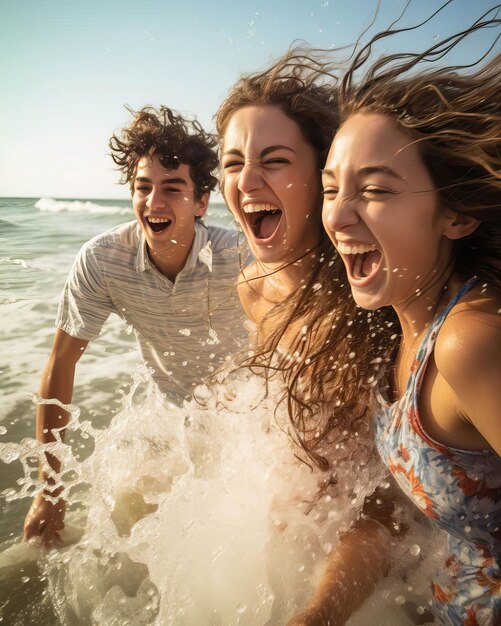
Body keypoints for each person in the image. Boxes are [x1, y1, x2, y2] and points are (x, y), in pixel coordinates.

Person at [285, 12, 501, 625]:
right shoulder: (390, 331)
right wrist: (319, 614)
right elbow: (393, 502)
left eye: (375, 190)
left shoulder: (468, 343)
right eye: (331, 189)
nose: (339, 217)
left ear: (455, 217)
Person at [216, 53, 407, 624]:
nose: (246, 182)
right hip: (297, 530)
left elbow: (388, 503)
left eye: (274, 161)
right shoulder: (252, 286)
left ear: (323, 175)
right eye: (231, 163)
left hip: (382, 568)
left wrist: (319, 613)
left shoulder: (370, 306)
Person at [23, 106, 248, 547]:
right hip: (168, 417)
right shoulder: (103, 261)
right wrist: (48, 489)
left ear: (201, 201)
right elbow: (62, 361)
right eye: (143, 187)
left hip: (248, 421)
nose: (154, 202)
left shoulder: (240, 257)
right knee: (125, 525)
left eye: (172, 188)